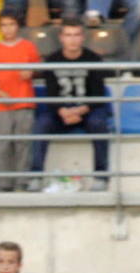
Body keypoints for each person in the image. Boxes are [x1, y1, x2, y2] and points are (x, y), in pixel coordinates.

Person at [30, 21, 112, 193]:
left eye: (76, 35)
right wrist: (63, 111)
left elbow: (98, 95)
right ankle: (36, 176)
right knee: (42, 123)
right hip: (61, 111)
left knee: (99, 123)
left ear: (82, 37)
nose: (72, 40)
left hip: (88, 110)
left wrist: (79, 110)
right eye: (68, 35)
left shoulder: (94, 59)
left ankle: (101, 177)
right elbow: (51, 93)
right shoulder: (52, 60)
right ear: (61, 38)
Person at [0, 9, 40, 192]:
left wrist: (30, 72)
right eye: (4, 25)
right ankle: (4, 183)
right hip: (1, 104)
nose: (8, 29)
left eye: (11, 24)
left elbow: (38, 68)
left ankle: (21, 183)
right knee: (3, 144)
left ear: (18, 26)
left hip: (24, 101)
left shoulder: (28, 47)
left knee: (22, 143)